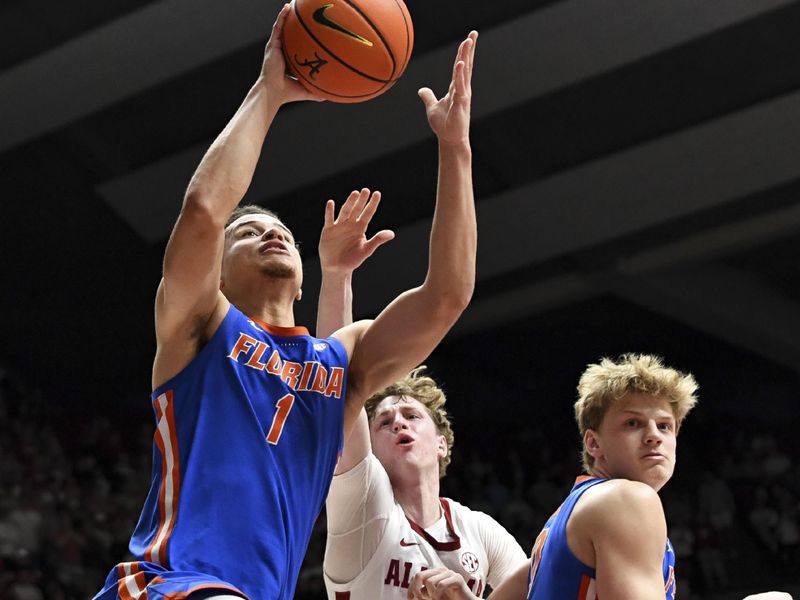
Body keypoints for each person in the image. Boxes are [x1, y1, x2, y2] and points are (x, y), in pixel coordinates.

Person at [93, 3, 479, 598]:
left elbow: (447, 296)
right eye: (246, 234)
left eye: (282, 234)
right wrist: (269, 92)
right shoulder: (199, 326)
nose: (270, 233)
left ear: (302, 279)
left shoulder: (340, 364)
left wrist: (456, 149)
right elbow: (203, 211)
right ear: (214, 275)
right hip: (172, 584)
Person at [407, 355, 794, 600]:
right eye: (632, 423)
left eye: (665, 425)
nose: (653, 435)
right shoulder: (626, 500)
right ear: (593, 443)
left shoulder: (555, 529)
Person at [312, 202, 527, 599]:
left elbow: (539, 589)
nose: (398, 422)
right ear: (366, 445)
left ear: (442, 442)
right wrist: (337, 277)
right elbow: (337, 382)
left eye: (412, 415)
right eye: (383, 421)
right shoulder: (364, 506)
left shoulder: (476, 528)